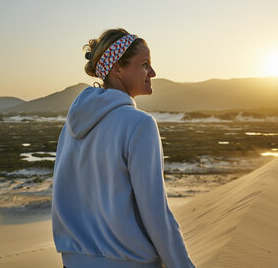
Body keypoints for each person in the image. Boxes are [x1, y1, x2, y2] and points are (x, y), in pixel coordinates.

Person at [52, 28, 195, 268]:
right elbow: (156, 214)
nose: (153, 72)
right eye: (145, 64)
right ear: (117, 68)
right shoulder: (140, 124)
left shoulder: (70, 127)